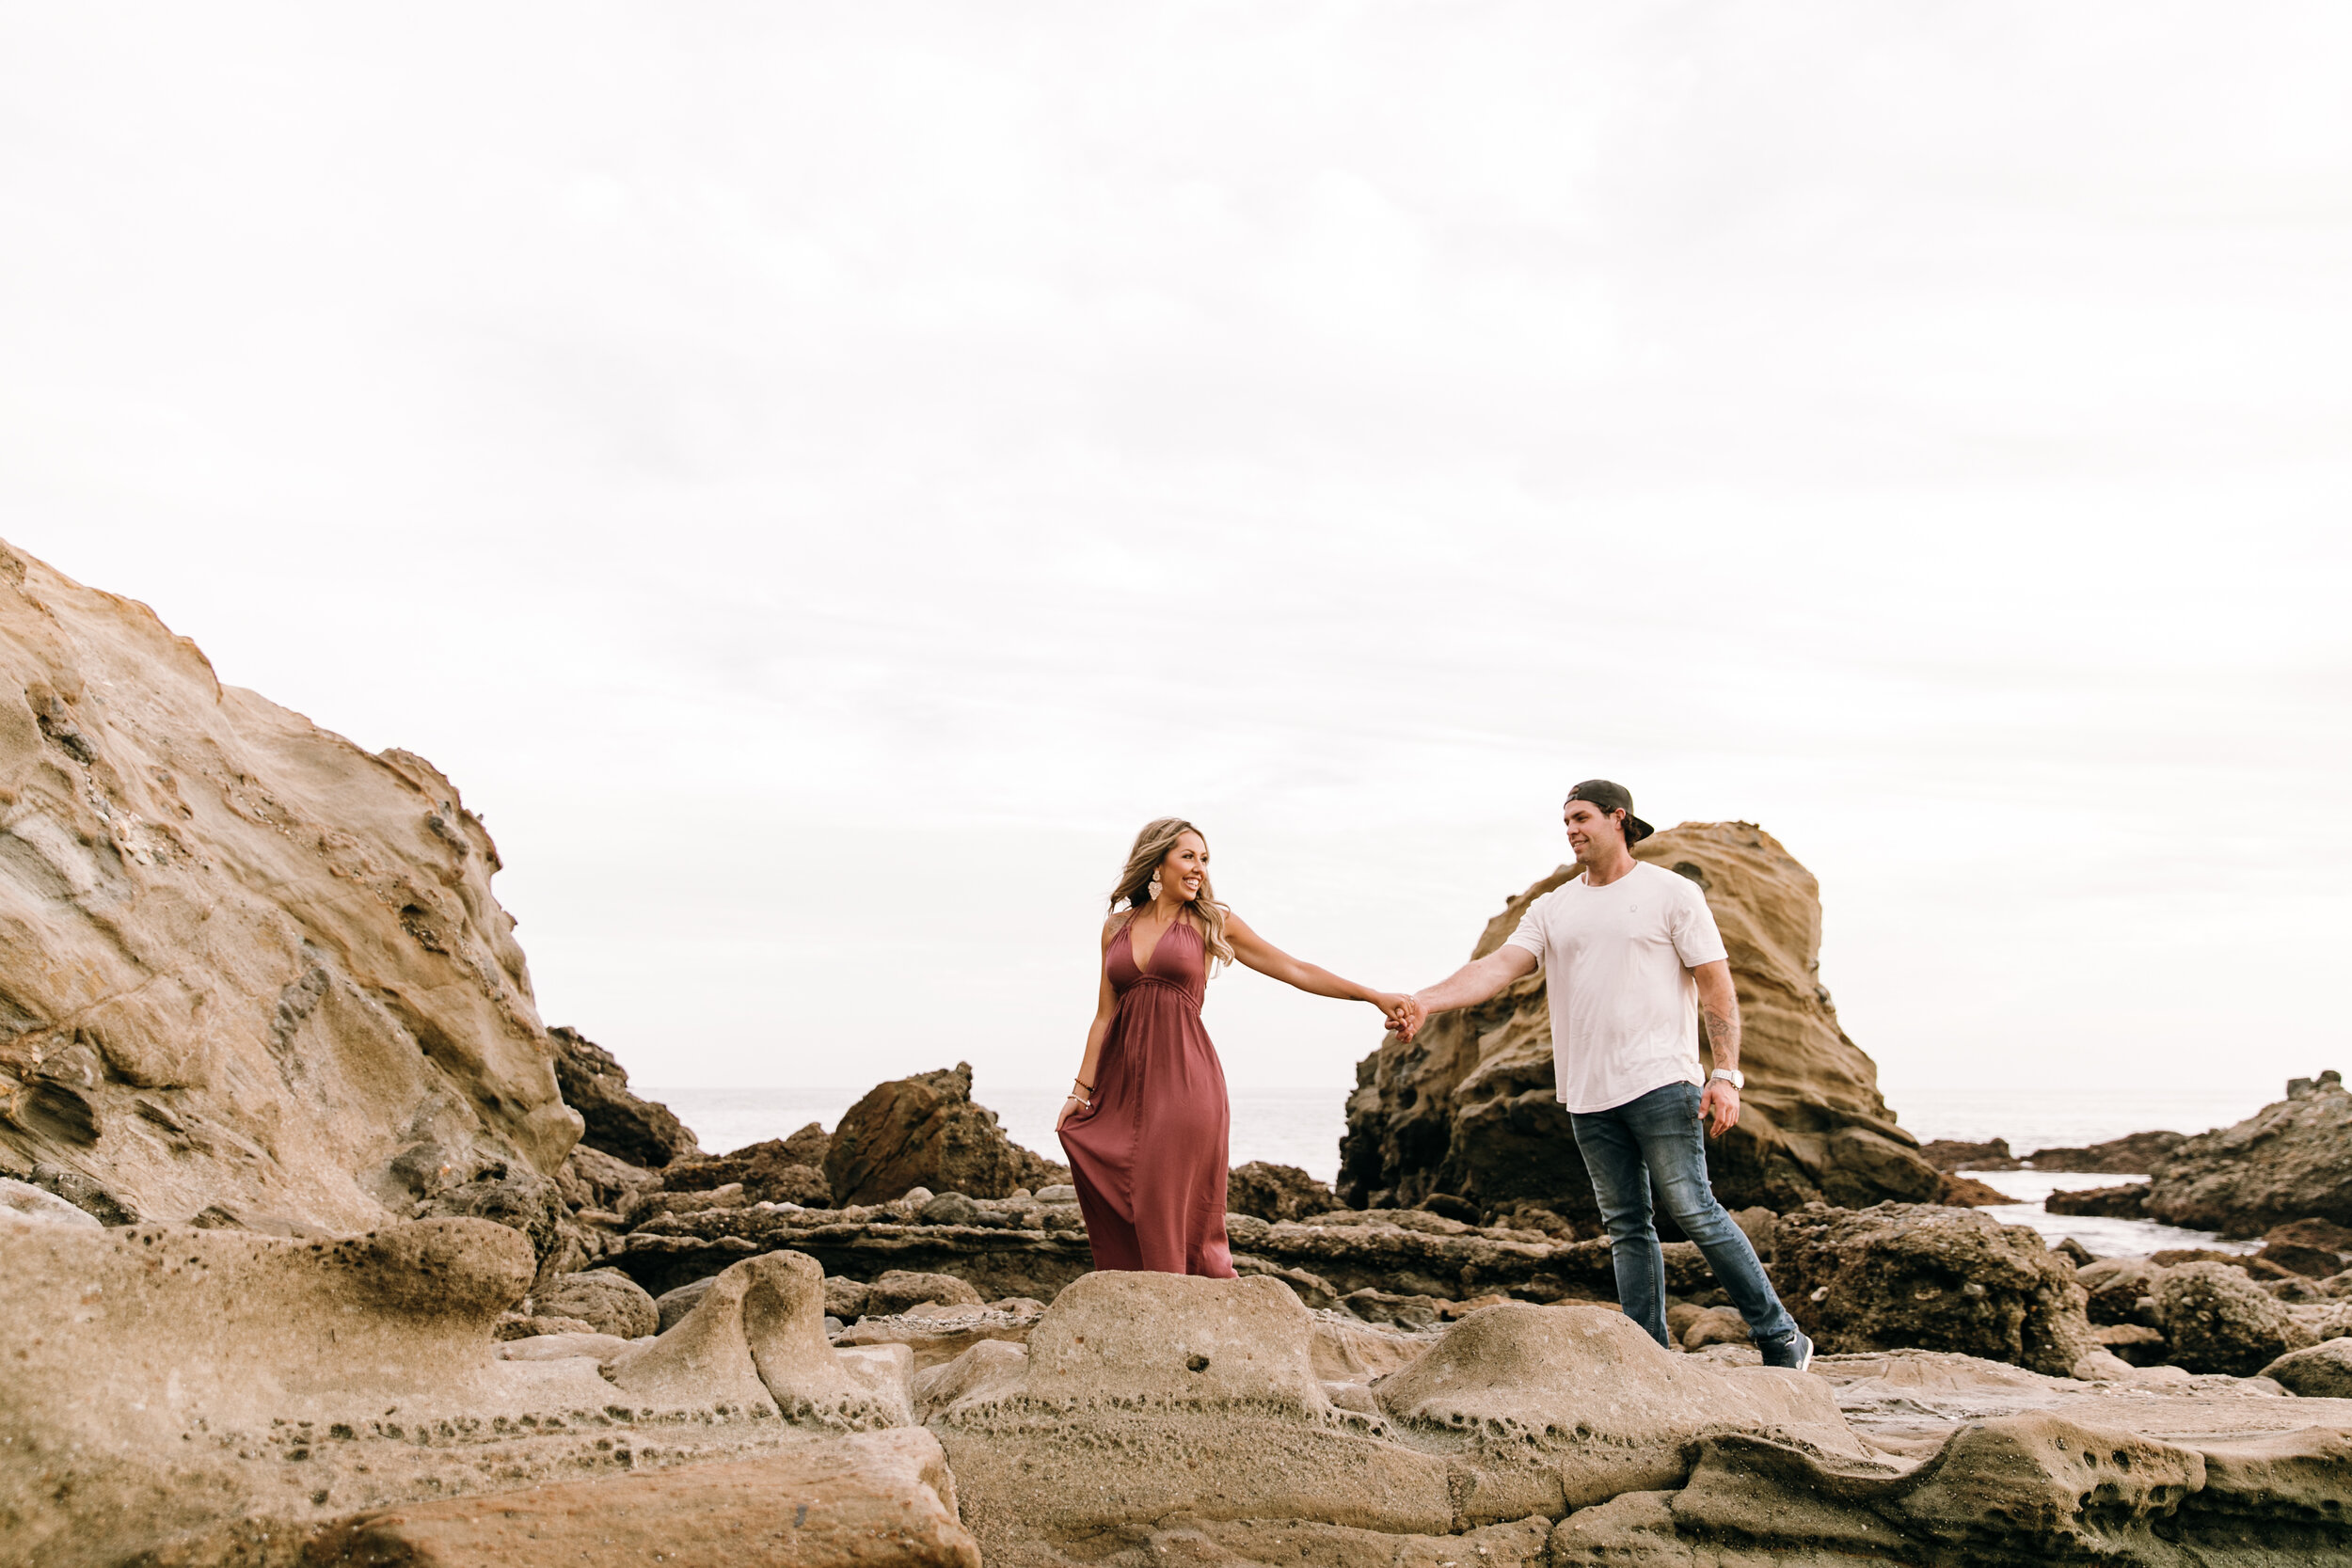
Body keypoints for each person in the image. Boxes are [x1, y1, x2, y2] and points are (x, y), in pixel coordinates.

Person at [1390, 782, 1813, 1370]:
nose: (1571, 830)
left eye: (1582, 817)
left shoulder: (1671, 892)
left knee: (1693, 1210)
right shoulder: (1553, 907)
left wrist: (1727, 1076)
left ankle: (1780, 1335)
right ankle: (1648, 1355)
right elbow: (1495, 969)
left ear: (1619, 818)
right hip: (1588, 1093)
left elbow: (1717, 986)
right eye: (1565, 821)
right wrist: (1426, 1000)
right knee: (1626, 1229)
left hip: (1663, 1081)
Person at [1057, 816, 1410, 1276]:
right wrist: (1079, 1092)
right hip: (1123, 1086)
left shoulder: (1211, 921)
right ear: (1156, 864)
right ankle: (1145, 1309)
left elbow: (1295, 969)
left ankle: (1191, 1311)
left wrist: (1372, 995)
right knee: (1133, 1196)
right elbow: (1105, 1016)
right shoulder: (1115, 928)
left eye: (1204, 859)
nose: (1199, 868)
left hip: (1186, 1082)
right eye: (1188, 856)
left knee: (1165, 1205)